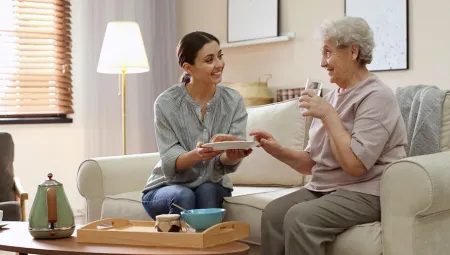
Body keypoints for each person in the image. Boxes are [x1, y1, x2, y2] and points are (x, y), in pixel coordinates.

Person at [250, 16, 408, 255]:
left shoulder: (377, 97)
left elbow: (355, 166)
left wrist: (329, 115)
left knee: (300, 218)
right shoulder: (332, 97)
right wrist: (277, 150)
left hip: (367, 191)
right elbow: (310, 164)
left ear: (353, 51)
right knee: (273, 214)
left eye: (328, 52)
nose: (322, 63)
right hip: (326, 187)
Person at [141, 31, 252, 220]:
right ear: (188, 67)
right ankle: (180, 248)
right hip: (166, 187)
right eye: (209, 60)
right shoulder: (166, 103)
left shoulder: (233, 100)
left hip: (212, 183)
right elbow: (169, 158)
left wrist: (232, 156)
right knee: (183, 195)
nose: (219, 64)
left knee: (208, 191)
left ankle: (205, 248)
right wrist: (197, 154)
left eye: (220, 56)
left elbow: (225, 161)